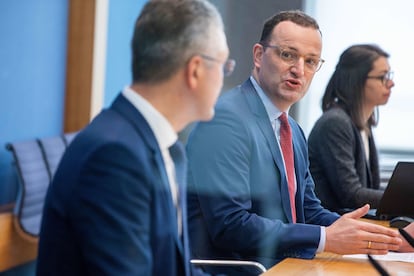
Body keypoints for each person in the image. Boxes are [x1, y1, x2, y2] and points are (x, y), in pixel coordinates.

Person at [185, 10, 411, 275]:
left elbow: (307, 209)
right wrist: (325, 238)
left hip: (285, 264)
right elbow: (232, 226)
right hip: (240, 269)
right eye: (287, 54)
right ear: (259, 55)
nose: (299, 69)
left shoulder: (291, 129)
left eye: (311, 61)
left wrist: (387, 238)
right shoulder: (225, 121)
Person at [36, 0, 233, 275]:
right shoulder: (114, 157)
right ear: (196, 70)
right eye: (224, 66)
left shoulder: (167, 148)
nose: (224, 78)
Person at [308, 44, 394, 213]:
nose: (391, 83)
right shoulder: (335, 123)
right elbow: (351, 195)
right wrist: (404, 200)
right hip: (333, 228)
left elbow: (371, 187)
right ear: (357, 80)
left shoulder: (362, 124)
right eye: (383, 77)